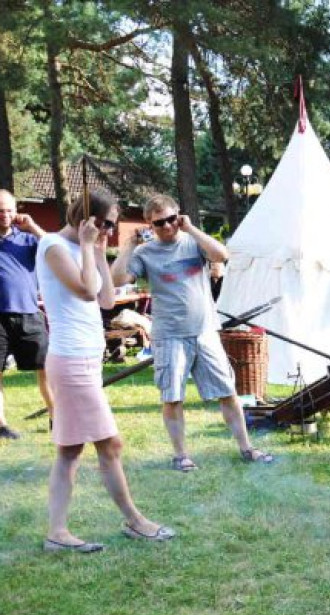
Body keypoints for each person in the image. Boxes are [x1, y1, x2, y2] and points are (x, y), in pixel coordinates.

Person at [37, 191, 174, 552]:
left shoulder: (89, 249)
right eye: (105, 223)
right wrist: (85, 247)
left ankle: (57, 532)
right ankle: (135, 520)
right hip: (71, 362)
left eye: (113, 225)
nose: (110, 231)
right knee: (110, 444)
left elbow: (107, 300)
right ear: (85, 218)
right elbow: (84, 291)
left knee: (69, 451)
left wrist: (98, 252)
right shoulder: (52, 246)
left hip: (85, 361)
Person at [111, 194, 272, 471]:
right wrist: (129, 245)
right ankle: (181, 456)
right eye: (159, 223)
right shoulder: (144, 253)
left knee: (228, 392)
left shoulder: (193, 241)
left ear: (179, 216)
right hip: (169, 335)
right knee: (173, 397)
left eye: (172, 219)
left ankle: (247, 448)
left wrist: (191, 228)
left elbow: (222, 255)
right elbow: (117, 279)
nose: (167, 226)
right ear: (150, 224)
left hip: (205, 331)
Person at [0, 189, 54, 438]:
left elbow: (55, 249)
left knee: (46, 368)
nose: (5, 214)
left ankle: (57, 418)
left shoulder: (28, 240)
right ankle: (1, 426)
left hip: (29, 314)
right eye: (0, 210)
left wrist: (33, 227)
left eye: (9, 209)